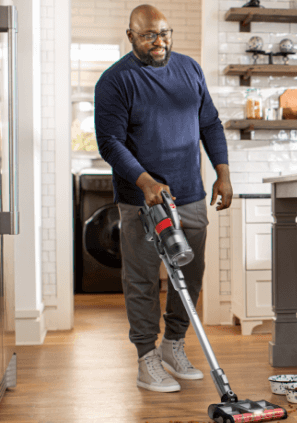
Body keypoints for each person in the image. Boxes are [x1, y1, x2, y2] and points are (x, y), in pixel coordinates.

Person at [94, 4, 232, 393]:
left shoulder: (189, 69)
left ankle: (174, 344)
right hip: (142, 198)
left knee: (189, 271)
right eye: (150, 35)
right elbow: (110, 142)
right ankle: (145, 358)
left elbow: (209, 122)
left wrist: (222, 172)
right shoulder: (116, 81)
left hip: (189, 191)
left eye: (166, 33)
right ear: (131, 36)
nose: (160, 42)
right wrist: (144, 181)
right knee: (142, 277)